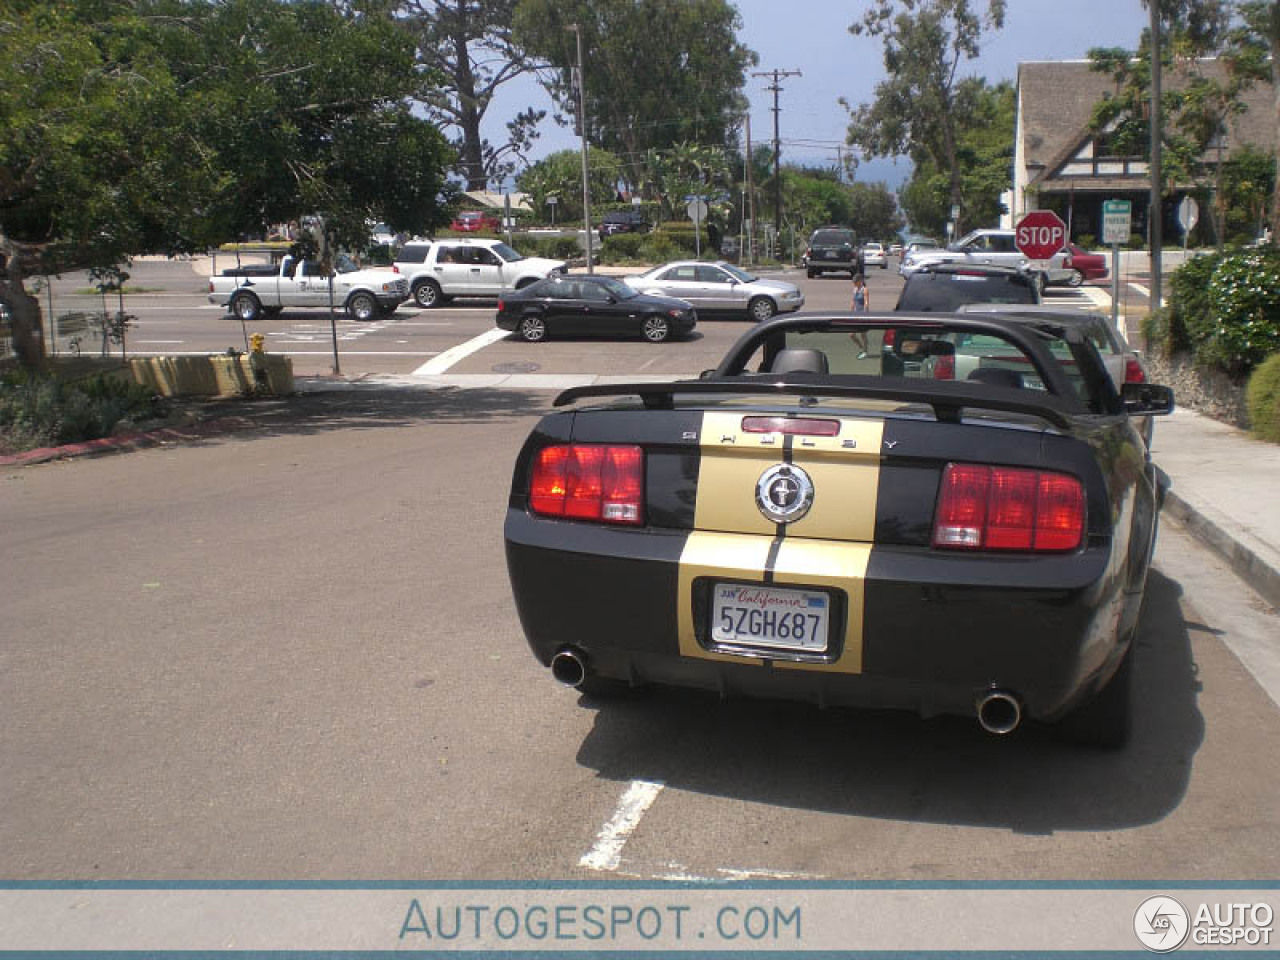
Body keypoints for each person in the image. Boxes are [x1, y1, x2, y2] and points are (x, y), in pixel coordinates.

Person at [850, 273, 871, 359]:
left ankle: (865, 351)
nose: (854, 284)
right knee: (851, 334)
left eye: (855, 282)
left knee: (863, 334)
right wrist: (850, 311)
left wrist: (865, 313)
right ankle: (861, 348)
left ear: (860, 281)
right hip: (855, 314)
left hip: (862, 314)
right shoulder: (854, 289)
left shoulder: (864, 290)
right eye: (854, 282)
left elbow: (866, 302)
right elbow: (853, 301)